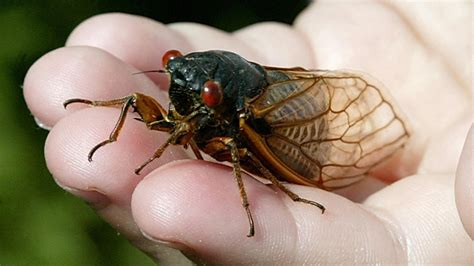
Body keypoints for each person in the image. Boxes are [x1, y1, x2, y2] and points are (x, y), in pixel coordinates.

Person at [23, 1, 472, 264]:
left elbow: (230, 146)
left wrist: (285, 193)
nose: (176, 86)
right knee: (125, 98)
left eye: (207, 94)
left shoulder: (233, 112)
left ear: (219, 96)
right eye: (170, 68)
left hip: (271, 120)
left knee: (239, 147)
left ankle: (287, 193)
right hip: (229, 102)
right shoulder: (191, 88)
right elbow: (176, 113)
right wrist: (111, 119)